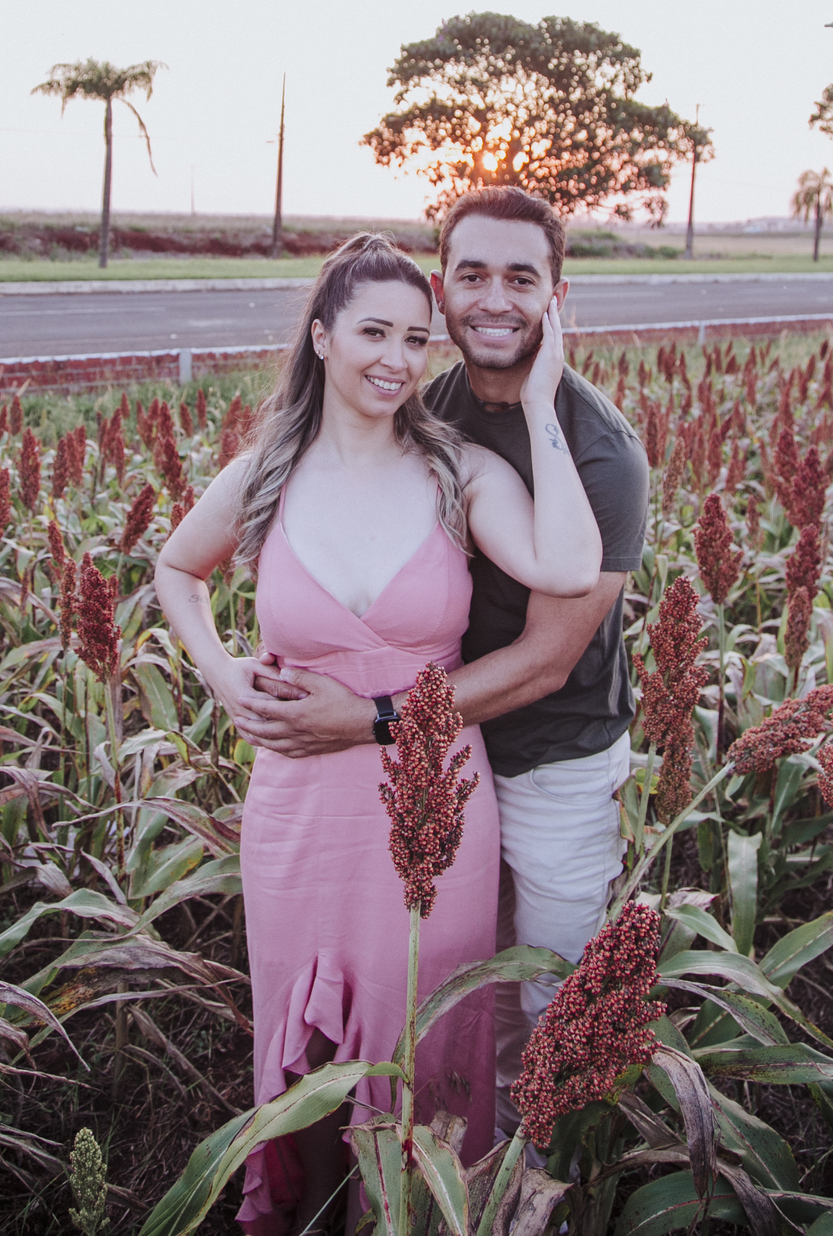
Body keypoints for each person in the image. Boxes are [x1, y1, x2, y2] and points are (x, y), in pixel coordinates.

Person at [155, 232, 602, 1234]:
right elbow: (176, 568)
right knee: (305, 1058)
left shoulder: (458, 473)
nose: (397, 359)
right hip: (298, 808)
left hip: (434, 799)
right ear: (322, 336)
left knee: (427, 1038)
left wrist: (542, 400)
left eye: (415, 338)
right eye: (373, 333)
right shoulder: (265, 473)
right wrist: (221, 671)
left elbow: (571, 569)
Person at [235, 190, 649, 1140]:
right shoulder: (427, 408)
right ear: (442, 288)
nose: (495, 299)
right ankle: (445, 1167)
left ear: (557, 297)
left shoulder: (602, 456)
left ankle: (536, 1187)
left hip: (549, 760)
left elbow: (544, 663)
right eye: (473, 275)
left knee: (550, 1008)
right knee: (454, 993)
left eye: (521, 278)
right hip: (442, 760)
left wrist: (369, 718)